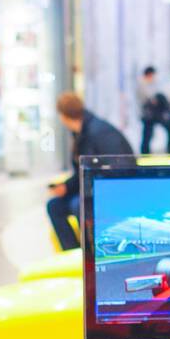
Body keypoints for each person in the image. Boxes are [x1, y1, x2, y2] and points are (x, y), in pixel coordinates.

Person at [47, 93, 133, 250]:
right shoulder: (80, 133)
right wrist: (66, 186)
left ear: (63, 116)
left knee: (79, 205)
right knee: (54, 206)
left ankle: (89, 252)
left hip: (111, 191)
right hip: (93, 189)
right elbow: (82, 172)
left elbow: (121, 168)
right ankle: (73, 251)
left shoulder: (100, 132)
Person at [137, 66, 170, 154]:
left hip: (153, 112)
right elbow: (150, 99)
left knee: (148, 134)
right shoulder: (142, 84)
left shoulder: (151, 84)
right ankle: (145, 153)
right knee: (147, 134)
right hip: (149, 113)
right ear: (149, 74)